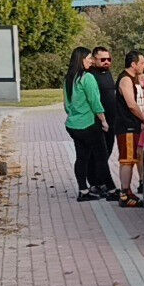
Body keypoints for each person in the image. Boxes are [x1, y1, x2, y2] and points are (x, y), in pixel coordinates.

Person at [62, 47, 111, 201]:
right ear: (81, 59)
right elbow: (95, 102)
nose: (91, 60)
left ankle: (83, 190)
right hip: (89, 124)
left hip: (73, 125)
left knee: (81, 157)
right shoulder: (87, 77)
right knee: (101, 157)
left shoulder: (69, 78)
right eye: (89, 58)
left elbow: (67, 105)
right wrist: (103, 121)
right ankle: (111, 189)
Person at [113, 51, 144, 207]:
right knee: (127, 161)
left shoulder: (132, 79)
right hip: (126, 125)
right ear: (133, 64)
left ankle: (127, 192)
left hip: (131, 125)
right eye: (142, 63)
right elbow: (131, 104)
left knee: (130, 159)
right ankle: (125, 194)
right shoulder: (125, 80)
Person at [88, 46, 123, 199]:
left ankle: (100, 182)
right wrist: (100, 119)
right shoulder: (90, 76)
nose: (107, 62)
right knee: (97, 154)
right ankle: (97, 184)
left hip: (112, 121)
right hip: (98, 121)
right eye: (103, 60)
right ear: (94, 60)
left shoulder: (107, 74)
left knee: (107, 152)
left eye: (109, 59)